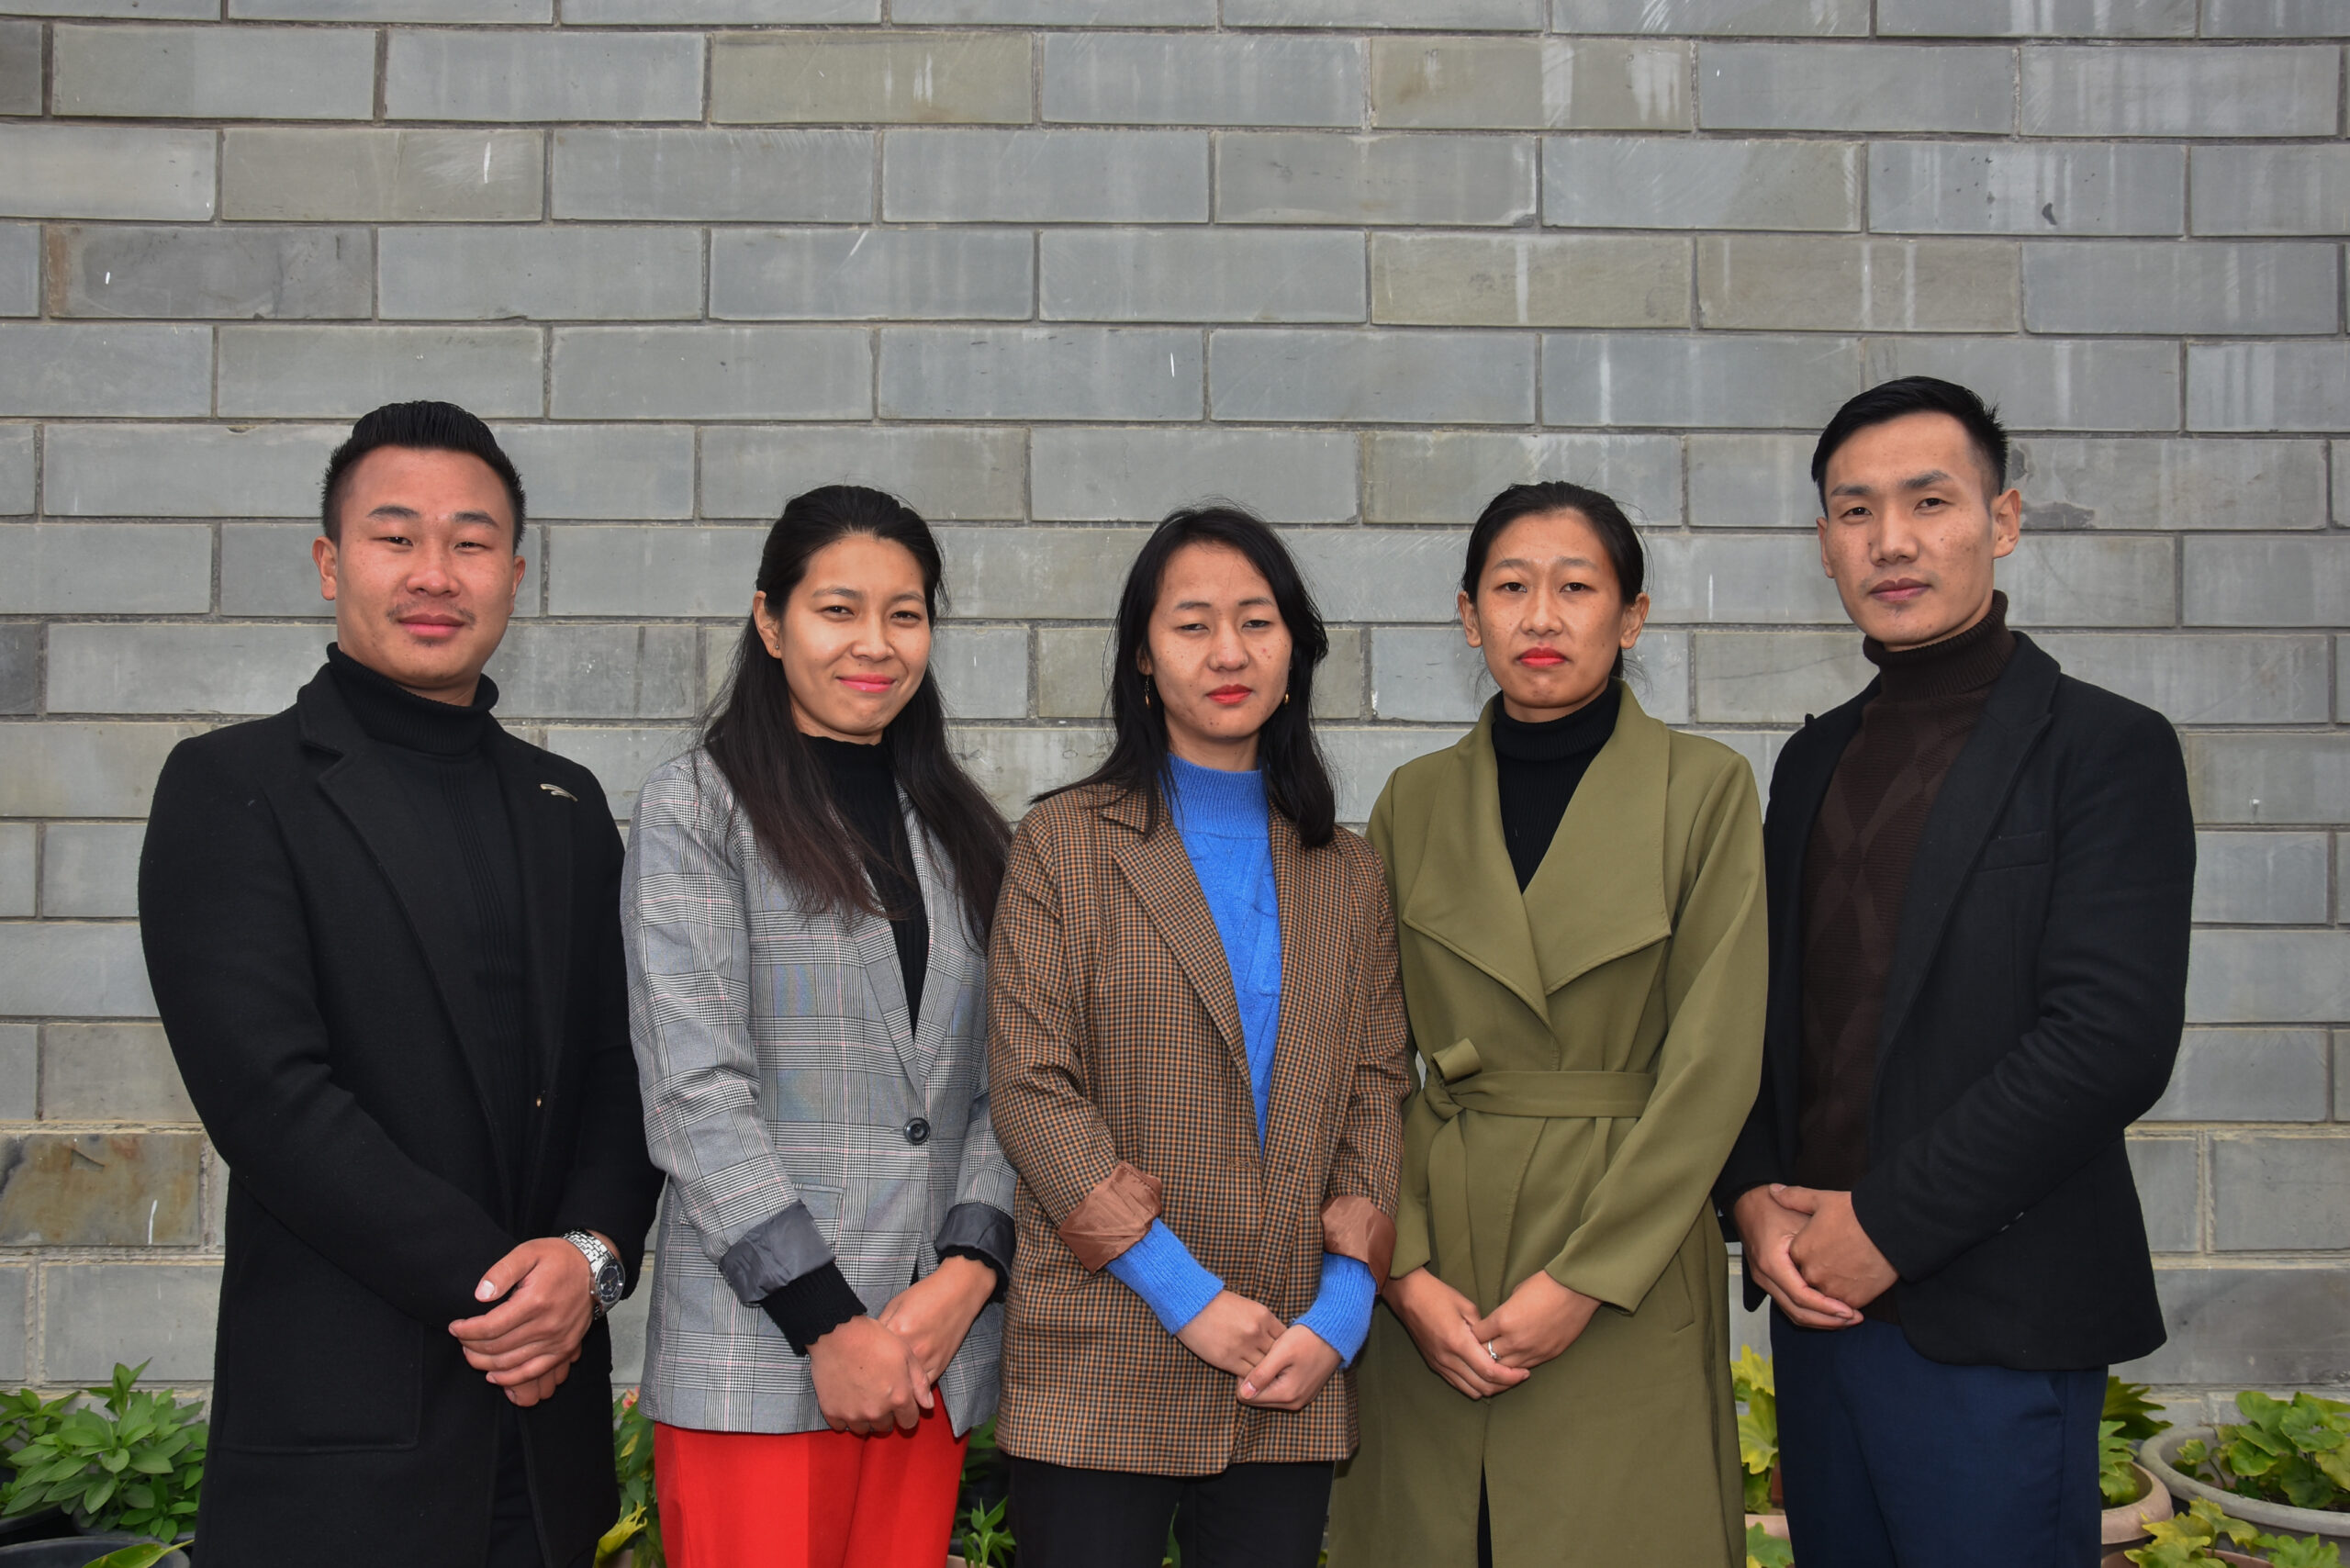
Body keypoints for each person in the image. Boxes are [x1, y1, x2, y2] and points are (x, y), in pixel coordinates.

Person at [137, 401, 663, 1567]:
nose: (435, 573)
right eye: (395, 537)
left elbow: (623, 1071)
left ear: (514, 575)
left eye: (471, 542)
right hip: (347, 1442)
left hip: (547, 1440)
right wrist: (509, 1296)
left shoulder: (567, 805)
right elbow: (272, 1100)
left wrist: (588, 1260)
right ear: (331, 563)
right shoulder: (235, 787)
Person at [1715, 376, 2195, 1568]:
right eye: (1855, 510)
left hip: (1996, 1317)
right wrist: (1753, 1187)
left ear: (2003, 519)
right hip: (1819, 1313)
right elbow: (1766, 1009)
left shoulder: (2104, 748)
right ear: (1824, 542)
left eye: (1929, 501)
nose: (1891, 540)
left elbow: (2108, 1040)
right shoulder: (1812, 760)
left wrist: (1888, 1222)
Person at [1326, 481, 1768, 1568]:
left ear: (1632, 616)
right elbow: (1368, 1059)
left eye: (1576, 588)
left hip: (1625, 1248)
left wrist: (1583, 1282)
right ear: (1467, 615)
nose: (1540, 617)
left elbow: (1713, 1065)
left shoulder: (1704, 789)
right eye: (1510, 587)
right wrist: (1403, 1272)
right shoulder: (1412, 800)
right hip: (1439, 1247)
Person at [987, 506, 1413, 1568]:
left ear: (1294, 649)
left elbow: (1375, 1091)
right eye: (1192, 624)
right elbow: (1033, 1092)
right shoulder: (1062, 844)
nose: (1229, 652)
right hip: (1104, 1349)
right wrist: (1191, 1299)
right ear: (1142, 654)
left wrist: (1341, 1314)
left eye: (1256, 622)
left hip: (1286, 1361)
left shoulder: (1347, 871)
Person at [621, 485, 1016, 1568]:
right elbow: (694, 1092)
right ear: (770, 620)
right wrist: (827, 1320)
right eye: (838, 609)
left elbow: (1014, 1077)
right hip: (762, 1352)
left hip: (926, 1350)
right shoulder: (697, 808)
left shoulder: (964, 829)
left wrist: (965, 1274)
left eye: (905, 613)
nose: (874, 644)